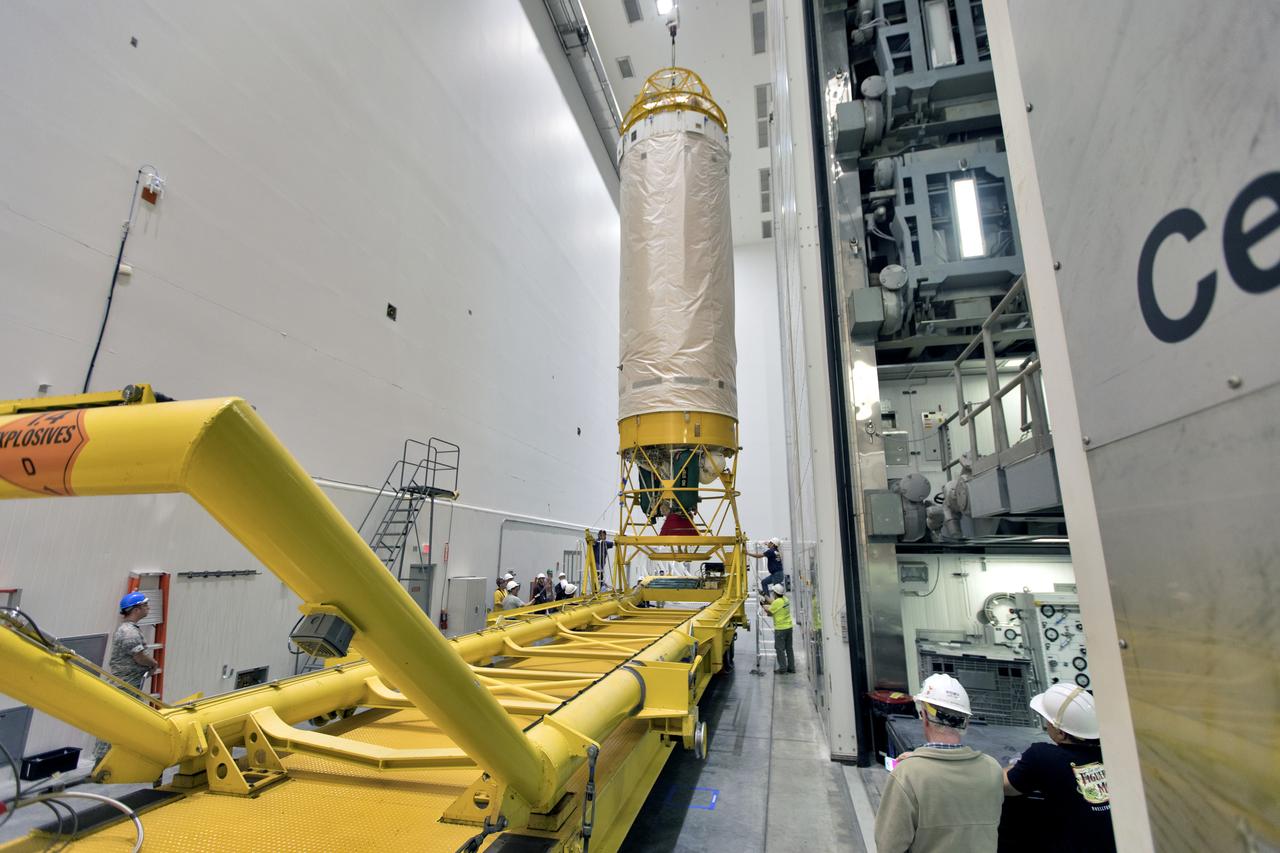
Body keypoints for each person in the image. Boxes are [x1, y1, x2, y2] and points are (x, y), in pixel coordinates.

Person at [875, 673, 1003, 853]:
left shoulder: (907, 775)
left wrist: (913, 763)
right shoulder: (992, 769)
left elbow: (888, 847)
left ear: (925, 716)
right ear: (966, 722)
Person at [1002, 685, 1116, 852]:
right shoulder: (1116, 755)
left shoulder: (1043, 757)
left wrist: (1018, 766)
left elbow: (1002, 784)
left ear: (1061, 733)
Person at [93, 592, 161, 761]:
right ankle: (104, 759)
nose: (148, 608)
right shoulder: (129, 633)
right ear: (136, 609)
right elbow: (139, 656)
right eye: (145, 605)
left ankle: (113, 757)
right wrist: (153, 663)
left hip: (131, 684)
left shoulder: (128, 630)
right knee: (117, 720)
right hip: (125, 684)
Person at [759, 583, 794, 673]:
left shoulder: (777, 603)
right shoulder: (785, 600)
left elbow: (769, 612)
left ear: (775, 593)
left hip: (780, 629)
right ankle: (791, 667)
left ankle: (782, 668)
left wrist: (762, 604)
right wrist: (764, 595)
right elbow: (773, 602)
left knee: (780, 649)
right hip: (789, 628)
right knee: (789, 648)